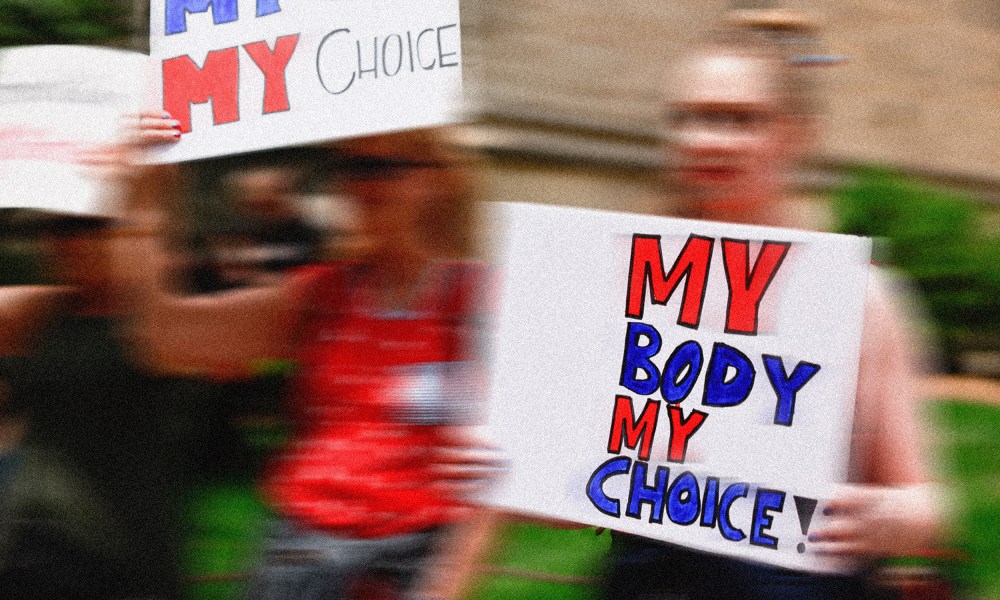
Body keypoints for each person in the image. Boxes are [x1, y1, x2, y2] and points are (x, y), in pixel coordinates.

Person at [602, 13, 942, 600]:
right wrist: (501, 462)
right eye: (687, 117)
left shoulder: (859, 298)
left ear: (798, 134)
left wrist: (882, 517)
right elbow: (565, 489)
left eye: (738, 119)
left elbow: (925, 508)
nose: (702, 139)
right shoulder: (624, 282)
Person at [121, 121, 496, 600]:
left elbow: (504, 470)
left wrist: (444, 587)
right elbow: (164, 337)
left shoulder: (483, 301)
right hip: (303, 553)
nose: (358, 186)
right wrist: (147, 198)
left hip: (413, 555)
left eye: (380, 168)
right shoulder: (321, 292)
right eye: (348, 168)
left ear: (439, 179)